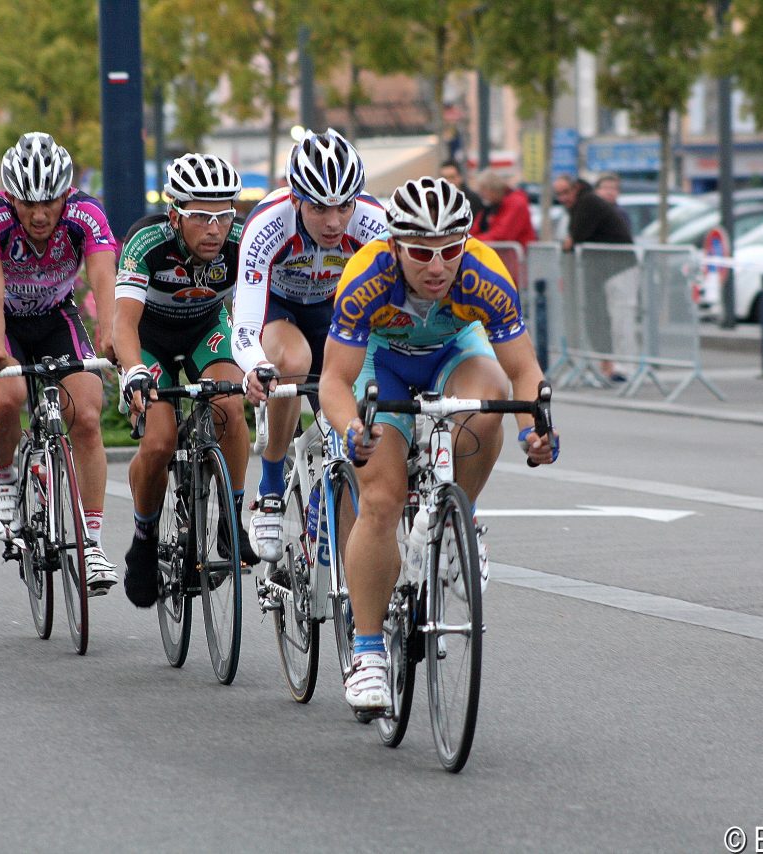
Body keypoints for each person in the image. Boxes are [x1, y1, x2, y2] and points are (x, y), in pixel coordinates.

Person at [319, 176, 559, 712]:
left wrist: (534, 431)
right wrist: (352, 428)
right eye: (422, 253)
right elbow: (334, 379)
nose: (437, 266)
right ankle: (368, 652)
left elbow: (523, 370)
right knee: (379, 499)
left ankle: (458, 518)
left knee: (488, 398)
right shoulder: (366, 277)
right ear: (395, 246)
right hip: (383, 363)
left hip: (452, 352)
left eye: (451, 251)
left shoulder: (484, 274)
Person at [0, 132, 119, 593]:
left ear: (65, 194)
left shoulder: (85, 215)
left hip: (55, 316)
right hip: (1, 318)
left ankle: (90, 544)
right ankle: (3, 479)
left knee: (87, 416)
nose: (38, 215)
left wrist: (110, 338)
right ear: (9, 196)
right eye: (27, 203)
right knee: (9, 394)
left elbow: (103, 282)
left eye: (49, 202)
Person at [232, 129, 386, 579]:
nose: (335, 221)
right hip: (279, 311)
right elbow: (243, 325)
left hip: (337, 313)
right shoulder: (268, 223)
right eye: (319, 207)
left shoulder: (375, 225)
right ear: (296, 199)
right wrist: (256, 367)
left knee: (356, 429)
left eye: (344, 205)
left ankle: (348, 585)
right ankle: (273, 483)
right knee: (292, 363)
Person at [115, 153, 259, 608]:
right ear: (175, 214)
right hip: (150, 337)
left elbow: (256, 313)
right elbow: (122, 324)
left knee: (231, 406)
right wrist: (134, 372)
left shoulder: (241, 241)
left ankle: (228, 520)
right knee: (158, 442)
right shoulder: (147, 241)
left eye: (223, 214)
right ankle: (144, 536)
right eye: (200, 216)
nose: (214, 228)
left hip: (205, 330)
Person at [554, 174, 635, 381]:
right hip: (602, 270)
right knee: (600, 318)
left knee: (620, 318)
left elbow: (576, 237)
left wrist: (569, 243)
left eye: (565, 192)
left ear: (576, 188)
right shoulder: (580, 205)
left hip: (619, 268)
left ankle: (625, 366)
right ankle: (608, 364)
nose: (562, 198)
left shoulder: (588, 203)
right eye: (558, 194)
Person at [469, 169, 536, 247]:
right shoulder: (491, 205)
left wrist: (472, 241)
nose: (481, 195)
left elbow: (502, 235)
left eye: (483, 191)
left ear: (492, 189)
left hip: (517, 256)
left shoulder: (515, 203)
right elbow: (475, 229)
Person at [440, 159, 484, 225]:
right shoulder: (436, 201)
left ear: (460, 177)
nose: (447, 182)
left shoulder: (474, 200)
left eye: (451, 177)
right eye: (444, 178)